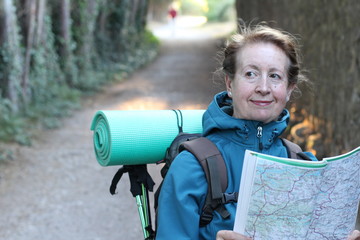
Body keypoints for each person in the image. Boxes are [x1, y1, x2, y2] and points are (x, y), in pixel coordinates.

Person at [155, 24, 359, 239]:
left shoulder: (305, 167)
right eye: (250, 73)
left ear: (289, 89)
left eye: (275, 76)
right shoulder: (192, 167)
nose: (263, 87)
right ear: (230, 84)